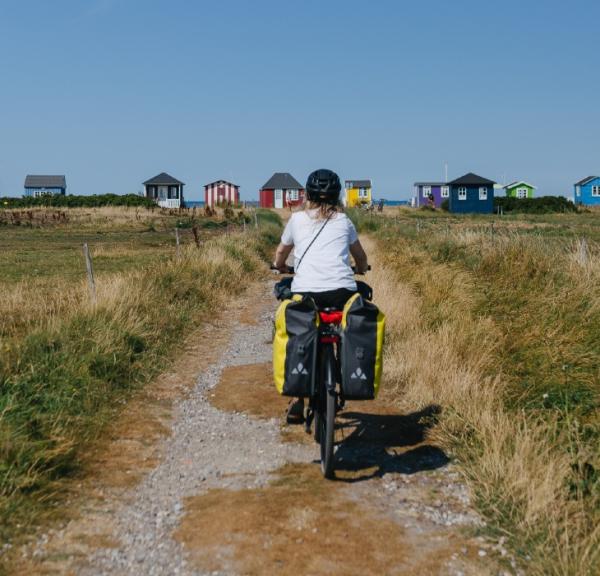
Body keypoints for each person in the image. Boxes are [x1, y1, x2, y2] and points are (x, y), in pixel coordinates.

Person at [273, 168, 368, 423]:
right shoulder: (344, 222)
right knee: (343, 328)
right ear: (336, 195)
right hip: (341, 293)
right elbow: (360, 257)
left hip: (306, 293)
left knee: (298, 328)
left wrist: (280, 266)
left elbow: (281, 252)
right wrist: (360, 270)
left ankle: (298, 397)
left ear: (308, 194)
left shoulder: (297, 220)